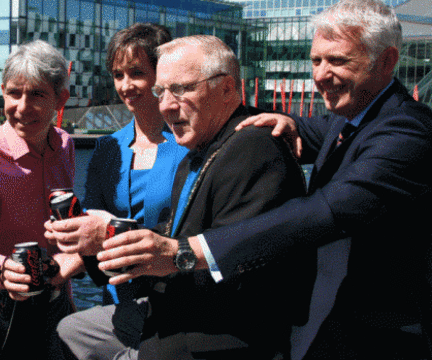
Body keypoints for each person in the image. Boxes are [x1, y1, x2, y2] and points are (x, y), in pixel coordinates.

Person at [191, 0, 432, 359]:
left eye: (338, 61)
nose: (320, 74)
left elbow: (328, 209)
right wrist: (280, 120)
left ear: (387, 61)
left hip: (379, 336)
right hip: (331, 320)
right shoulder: (351, 115)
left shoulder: (408, 130)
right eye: (316, 60)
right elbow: (307, 128)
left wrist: (198, 250)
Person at [56, 35, 315, 360]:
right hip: (166, 307)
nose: (165, 104)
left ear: (226, 88)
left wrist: (158, 254)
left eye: (180, 89)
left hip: (213, 337)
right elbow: (172, 241)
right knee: (69, 333)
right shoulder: (204, 147)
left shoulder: (253, 149)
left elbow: (241, 263)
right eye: (161, 91)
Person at [45, 23, 188, 306]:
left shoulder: (190, 143)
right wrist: (68, 250)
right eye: (118, 75)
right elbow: (91, 227)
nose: (125, 85)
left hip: (178, 299)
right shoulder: (108, 148)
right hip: (119, 301)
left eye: (137, 73)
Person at [0, 39, 82, 359]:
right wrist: (2, 267)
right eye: (14, 93)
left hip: (55, 301)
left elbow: (68, 219)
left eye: (37, 94)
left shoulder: (64, 145)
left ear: (60, 98)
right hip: (1, 311)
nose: (23, 107)